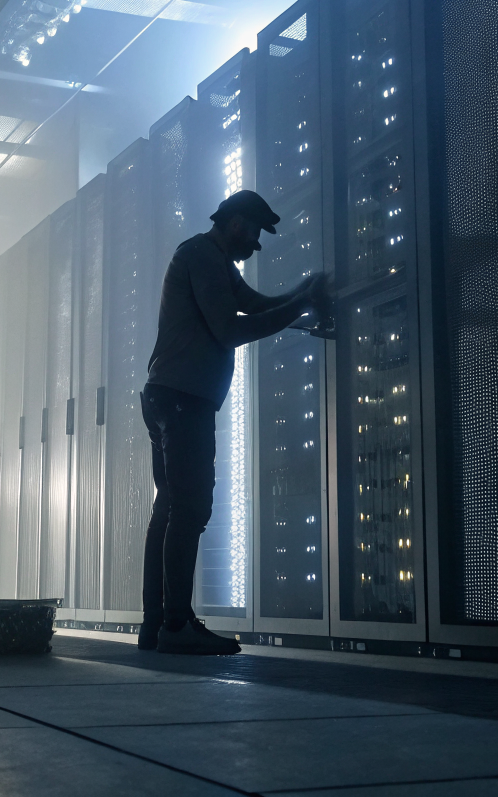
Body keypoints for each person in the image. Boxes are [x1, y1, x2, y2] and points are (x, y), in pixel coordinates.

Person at [140, 189, 330, 655]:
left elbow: (255, 304)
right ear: (238, 223)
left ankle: (158, 625)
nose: (255, 246)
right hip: (185, 399)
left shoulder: (213, 260)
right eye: (257, 234)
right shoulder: (203, 257)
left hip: (170, 395)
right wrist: (302, 308)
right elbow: (231, 329)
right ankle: (176, 626)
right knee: (189, 510)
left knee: (170, 510)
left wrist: (300, 295)